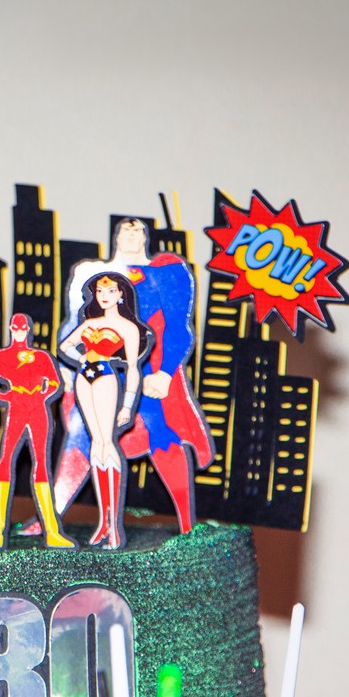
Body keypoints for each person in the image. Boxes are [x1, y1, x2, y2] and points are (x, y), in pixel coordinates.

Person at [44, 218, 214, 532]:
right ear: (117, 235)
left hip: (146, 372)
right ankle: (52, 518)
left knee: (162, 434)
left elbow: (178, 327)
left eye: (138, 230)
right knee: (82, 436)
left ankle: (186, 522)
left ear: (145, 236)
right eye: (127, 229)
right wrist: (68, 368)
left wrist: (164, 373)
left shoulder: (165, 272)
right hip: (97, 374)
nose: (132, 234)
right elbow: (73, 326)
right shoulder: (93, 273)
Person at [57, 272, 150, 549]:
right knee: (96, 444)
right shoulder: (90, 323)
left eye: (110, 291)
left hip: (107, 379)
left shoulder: (128, 328)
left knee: (107, 443)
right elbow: (65, 346)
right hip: (84, 378)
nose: (104, 296)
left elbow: (133, 367)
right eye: (99, 291)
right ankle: (103, 523)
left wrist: (127, 404)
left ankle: (113, 526)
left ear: (121, 294)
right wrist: (81, 358)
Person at [0, 313, 73, 549]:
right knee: (6, 458)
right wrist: (7, 395)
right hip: (16, 408)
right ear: (11, 329)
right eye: (16, 328)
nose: (19, 331)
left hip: (38, 409)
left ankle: (52, 531)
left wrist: (42, 393)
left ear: (28, 329)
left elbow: (55, 383)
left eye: (22, 328)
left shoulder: (41, 357)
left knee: (42, 464)